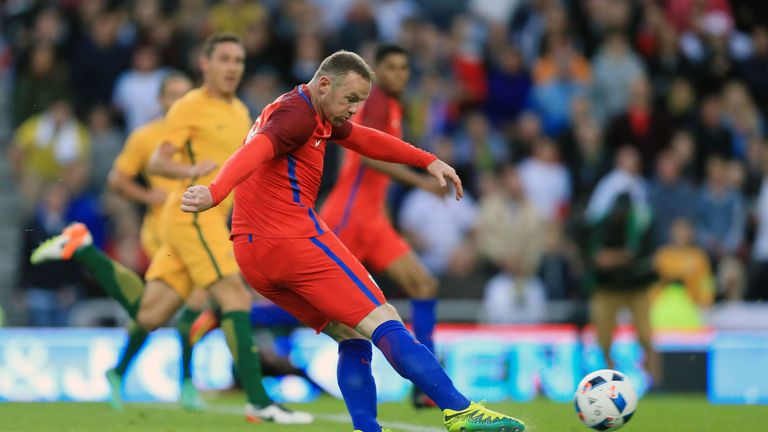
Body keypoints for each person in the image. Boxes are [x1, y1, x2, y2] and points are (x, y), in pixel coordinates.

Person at [180, 50, 525, 432]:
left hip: (251, 253)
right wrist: (215, 192)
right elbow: (255, 150)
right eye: (351, 99)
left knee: (351, 334)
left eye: (361, 101)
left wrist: (426, 159)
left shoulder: (304, 108)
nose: (354, 109)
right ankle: (461, 411)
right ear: (325, 83)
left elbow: (362, 139)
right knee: (384, 319)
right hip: (292, 239)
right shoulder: (298, 116)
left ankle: (367, 428)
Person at [30, 33, 311, 425]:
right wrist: (189, 172)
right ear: (205, 64)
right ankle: (256, 399)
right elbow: (155, 166)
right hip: (189, 217)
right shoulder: (189, 108)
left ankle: (83, 249)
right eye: (225, 59)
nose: (233, 67)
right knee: (232, 293)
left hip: (205, 219)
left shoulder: (240, 112)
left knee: (149, 313)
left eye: (239, 60)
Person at [318, 44, 444, 408]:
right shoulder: (373, 102)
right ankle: (234, 314)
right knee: (324, 308)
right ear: (376, 72)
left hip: (373, 220)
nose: (399, 75)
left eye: (405, 68)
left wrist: (387, 217)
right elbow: (368, 157)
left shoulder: (391, 106)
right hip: (347, 218)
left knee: (423, 284)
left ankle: (425, 387)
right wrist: (421, 182)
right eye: (391, 68)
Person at [103, 71, 208, 411]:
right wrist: (148, 195)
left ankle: (122, 372)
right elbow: (116, 180)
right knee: (179, 304)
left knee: (180, 308)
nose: (178, 100)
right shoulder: (146, 137)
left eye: (184, 93)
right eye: (171, 94)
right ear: (161, 100)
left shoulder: (201, 132)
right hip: (161, 231)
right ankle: (187, 384)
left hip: (200, 229)